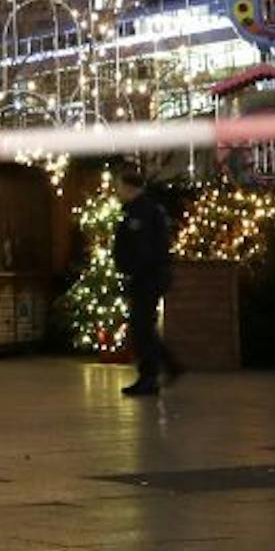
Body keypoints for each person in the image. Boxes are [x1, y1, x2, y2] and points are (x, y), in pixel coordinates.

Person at [113, 168, 183, 396]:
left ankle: (152, 375)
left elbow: (143, 249)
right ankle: (163, 368)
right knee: (142, 327)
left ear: (129, 187)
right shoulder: (138, 210)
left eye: (119, 186)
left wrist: (134, 270)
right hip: (145, 277)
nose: (117, 191)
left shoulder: (142, 212)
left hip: (147, 278)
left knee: (141, 327)